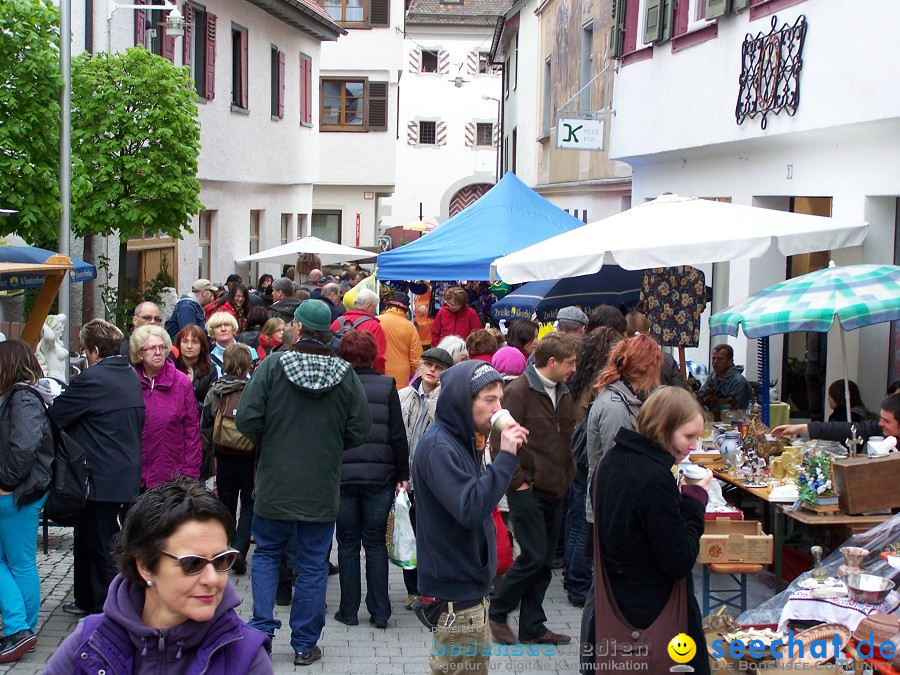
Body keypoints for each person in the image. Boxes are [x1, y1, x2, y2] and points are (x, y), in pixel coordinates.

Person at [236, 299, 371, 667]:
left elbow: (247, 417)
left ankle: (261, 630)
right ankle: (304, 644)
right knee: (313, 564)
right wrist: (330, 444)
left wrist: (272, 437)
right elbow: (360, 429)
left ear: (297, 327)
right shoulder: (345, 373)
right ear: (327, 332)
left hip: (275, 481)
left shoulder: (272, 366)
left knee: (265, 554)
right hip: (321, 484)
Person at [44, 480, 273, 674]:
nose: (212, 579)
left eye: (221, 560)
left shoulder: (244, 655)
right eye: (193, 563)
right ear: (145, 566)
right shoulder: (91, 643)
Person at [584, 386, 710, 674]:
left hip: (617, 601)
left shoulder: (612, 460)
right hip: (651, 612)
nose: (693, 446)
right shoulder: (654, 479)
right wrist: (694, 503)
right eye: (688, 437)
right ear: (663, 428)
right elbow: (679, 560)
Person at [413, 361, 527, 674]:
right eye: (489, 399)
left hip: (468, 589)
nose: (497, 407)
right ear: (464, 402)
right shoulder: (439, 447)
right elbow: (471, 508)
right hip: (456, 596)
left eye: (500, 399)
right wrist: (505, 457)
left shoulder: (463, 440)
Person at [488, 333, 578, 646]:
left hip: (556, 488)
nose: (574, 368)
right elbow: (499, 444)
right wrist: (520, 484)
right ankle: (498, 611)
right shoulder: (518, 391)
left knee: (542, 564)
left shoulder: (564, 392)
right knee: (534, 556)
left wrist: (568, 475)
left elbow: (564, 437)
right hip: (527, 490)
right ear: (551, 362)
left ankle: (533, 626)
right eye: (570, 363)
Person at [51, 320, 145, 617]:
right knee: (90, 537)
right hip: (122, 470)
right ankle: (87, 598)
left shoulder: (93, 379)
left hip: (98, 476)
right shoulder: (127, 373)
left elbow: (57, 415)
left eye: (84, 350)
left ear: (93, 350)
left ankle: (108, 609)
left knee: (100, 543)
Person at [334, 331, 409, 629]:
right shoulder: (386, 384)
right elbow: (397, 434)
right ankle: (380, 611)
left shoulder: (336, 385)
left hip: (341, 476)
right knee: (376, 544)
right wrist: (403, 474)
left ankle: (348, 610)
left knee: (348, 543)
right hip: (380, 476)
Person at [0, 340, 55, 662]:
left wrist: (6, 481)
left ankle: (21, 629)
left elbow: (24, 445)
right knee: (14, 561)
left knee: (17, 561)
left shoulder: (23, 397)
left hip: (16, 492)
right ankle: (21, 630)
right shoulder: (18, 396)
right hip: (17, 491)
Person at [562, 326, 623, 608]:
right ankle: (577, 582)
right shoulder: (600, 386)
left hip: (575, 452)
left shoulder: (578, 376)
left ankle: (571, 575)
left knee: (576, 518)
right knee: (584, 521)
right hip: (587, 455)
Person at [397, 346, 452, 609]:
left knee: (430, 536)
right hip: (406, 477)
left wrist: (435, 397)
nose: (432, 370)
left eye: (439, 367)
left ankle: (430, 589)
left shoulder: (447, 399)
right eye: (428, 364)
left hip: (432, 480)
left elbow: (445, 426)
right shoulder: (403, 395)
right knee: (408, 533)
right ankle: (412, 588)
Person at [586, 334, 662, 523]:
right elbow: (616, 464)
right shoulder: (615, 406)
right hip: (611, 504)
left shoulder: (622, 397)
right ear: (646, 368)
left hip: (612, 500)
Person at [201, 344, 255, 576]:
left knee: (225, 503)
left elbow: (206, 423)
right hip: (250, 457)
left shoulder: (217, 389)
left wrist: (209, 448)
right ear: (246, 366)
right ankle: (240, 547)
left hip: (223, 455)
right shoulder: (253, 389)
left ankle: (225, 547)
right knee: (250, 503)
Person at [130, 325, 202, 489]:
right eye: (151, 348)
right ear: (139, 353)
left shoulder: (181, 382)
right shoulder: (130, 381)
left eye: (161, 347)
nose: (158, 352)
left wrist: (190, 471)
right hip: (134, 475)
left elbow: (192, 428)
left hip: (170, 476)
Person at [773, 392, 900, 443]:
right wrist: (802, 427)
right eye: (881, 418)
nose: (880, 424)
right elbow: (848, 429)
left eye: (887, 421)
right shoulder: (878, 427)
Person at [331, 288, 387, 374]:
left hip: (339, 374)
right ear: (369, 306)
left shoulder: (337, 322)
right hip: (364, 377)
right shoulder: (373, 325)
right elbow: (379, 357)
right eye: (374, 308)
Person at [625, 310, 687, 388]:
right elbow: (681, 392)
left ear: (625, 334)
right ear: (648, 331)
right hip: (663, 399)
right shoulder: (667, 360)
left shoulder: (620, 361)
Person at [378, 291, 422, 389]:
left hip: (379, 371)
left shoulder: (377, 321)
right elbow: (416, 359)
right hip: (401, 376)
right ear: (406, 310)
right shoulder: (410, 327)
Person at [173, 323, 217, 409]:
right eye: (185, 341)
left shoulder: (210, 369)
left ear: (202, 346)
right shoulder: (171, 367)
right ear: (179, 344)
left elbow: (210, 403)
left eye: (195, 342)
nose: (189, 346)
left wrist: (189, 406)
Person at [699, 343, 752, 411]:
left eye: (720, 359)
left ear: (730, 361)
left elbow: (730, 409)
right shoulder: (713, 376)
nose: (715, 362)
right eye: (713, 359)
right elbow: (702, 393)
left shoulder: (739, 382)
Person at [207, 312, 257, 378]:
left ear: (233, 328)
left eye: (227, 325)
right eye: (218, 326)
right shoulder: (209, 361)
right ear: (212, 332)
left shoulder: (250, 351)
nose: (223, 329)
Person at [37, 314, 69, 381]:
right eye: (58, 328)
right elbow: (50, 336)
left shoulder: (57, 343)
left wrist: (57, 318)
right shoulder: (49, 344)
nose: (62, 329)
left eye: (61, 327)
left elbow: (64, 317)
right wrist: (43, 324)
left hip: (60, 379)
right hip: (52, 380)